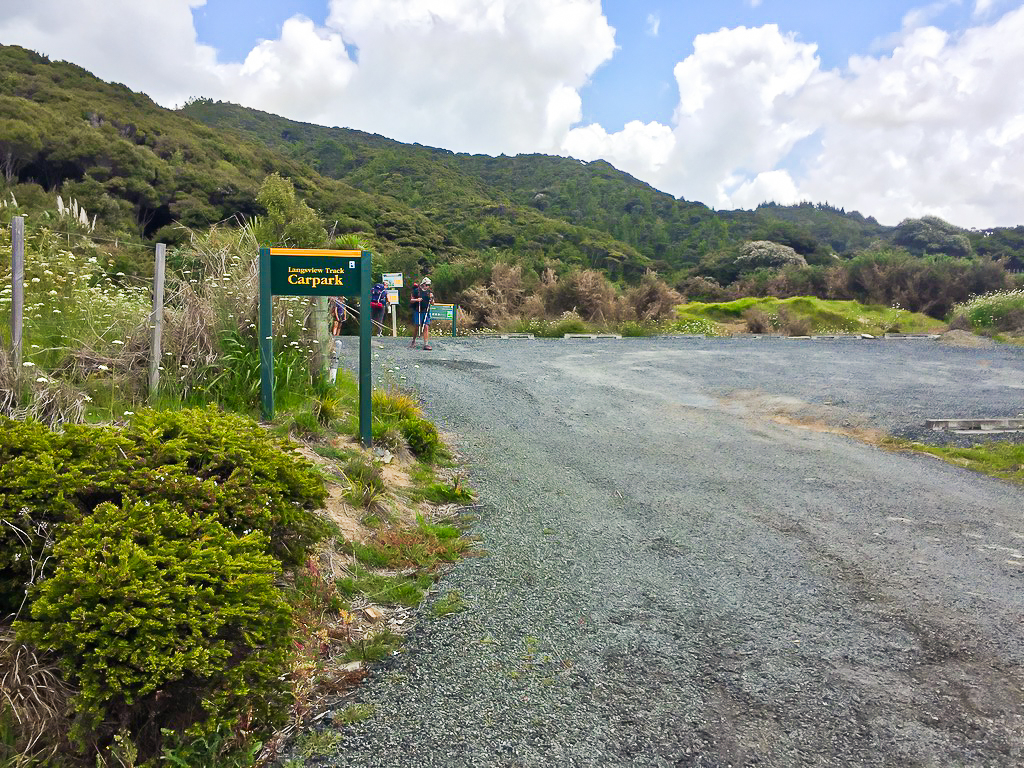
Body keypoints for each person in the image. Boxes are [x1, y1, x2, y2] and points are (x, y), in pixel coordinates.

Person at [409, 276, 433, 350]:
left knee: (426, 326)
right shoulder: (416, 291)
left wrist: (431, 298)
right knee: (417, 326)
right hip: (418, 310)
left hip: (426, 311)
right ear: (423, 284)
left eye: (429, 285)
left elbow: (432, 303)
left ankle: (426, 344)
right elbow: (411, 300)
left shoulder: (429, 292)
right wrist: (417, 300)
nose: (428, 286)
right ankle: (413, 340)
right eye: (426, 285)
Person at [328, 296, 346, 383]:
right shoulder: (337, 303)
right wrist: (337, 316)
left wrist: (345, 316)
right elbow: (335, 310)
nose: (343, 299)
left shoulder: (343, 304)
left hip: (342, 315)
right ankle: (334, 334)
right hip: (337, 315)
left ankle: (338, 334)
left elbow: (345, 310)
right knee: (335, 324)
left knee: (340, 326)